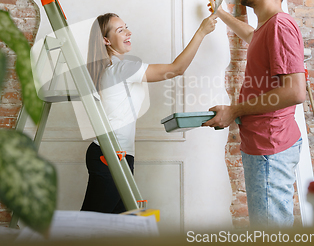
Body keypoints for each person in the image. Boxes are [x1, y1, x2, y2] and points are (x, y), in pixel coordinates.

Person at [203, 0, 306, 227]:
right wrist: (220, 13)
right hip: (263, 145)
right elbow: (251, 36)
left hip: (270, 147)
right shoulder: (267, 28)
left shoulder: (281, 26)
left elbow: (295, 91)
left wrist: (235, 109)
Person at [81, 12, 217, 213]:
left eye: (126, 26)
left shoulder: (111, 67)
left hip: (116, 155)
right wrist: (201, 32)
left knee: (117, 225)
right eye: (120, 30)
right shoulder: (122, 69)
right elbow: (176, 69)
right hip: (110, 157)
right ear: (106, 40)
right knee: (89, 227)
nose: (129, 32)